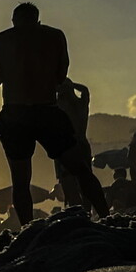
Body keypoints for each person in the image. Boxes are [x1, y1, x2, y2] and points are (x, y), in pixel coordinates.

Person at [0, 3, 108, 225]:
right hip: (47, 111)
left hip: (16, 114)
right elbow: (60, 77)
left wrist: (11, 69)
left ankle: (27, 230)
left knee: (20, 182)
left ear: (14, 21)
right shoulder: (55, 36)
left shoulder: (0, 40)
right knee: (81, 170)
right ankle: (107, 217)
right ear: (38, 20)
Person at [54, 79, 92, 209]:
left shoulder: (61, 106)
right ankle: (85, 209)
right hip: (81, 145)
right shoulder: (81, 104)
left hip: (67, 147)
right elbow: (85, 90)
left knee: (70, 182)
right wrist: (71, 85)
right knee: (85, 181)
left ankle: (77, 209)